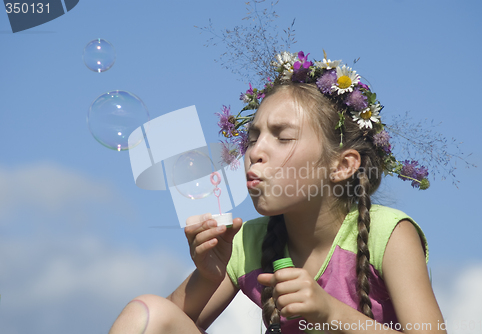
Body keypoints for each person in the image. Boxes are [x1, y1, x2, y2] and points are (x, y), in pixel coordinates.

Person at [109, 51, 445, 333]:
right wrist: (207, 277)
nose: (254, 151)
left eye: (282, 137)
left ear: (342, 165)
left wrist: (333, 313)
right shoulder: (245, 244)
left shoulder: (389, 235)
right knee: (146, 313)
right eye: (253, 137)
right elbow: (161, 328)